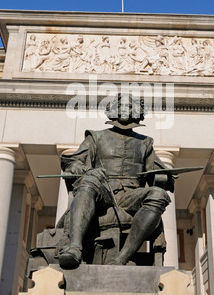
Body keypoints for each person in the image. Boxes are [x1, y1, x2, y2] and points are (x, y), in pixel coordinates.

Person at [58, 93, 174, 269]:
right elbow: (73, 162)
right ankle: (74, 248)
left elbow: (158, 171)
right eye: (120, 106)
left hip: (132, 195)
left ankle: (122, 258)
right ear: (112, 110)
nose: (124, 110)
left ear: (137, 111)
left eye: (128, 107)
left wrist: (164, 176)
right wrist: (87, 170)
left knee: (158, 194)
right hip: (102, 191)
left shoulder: (145, 143)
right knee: (89, 181)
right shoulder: (95, 137)